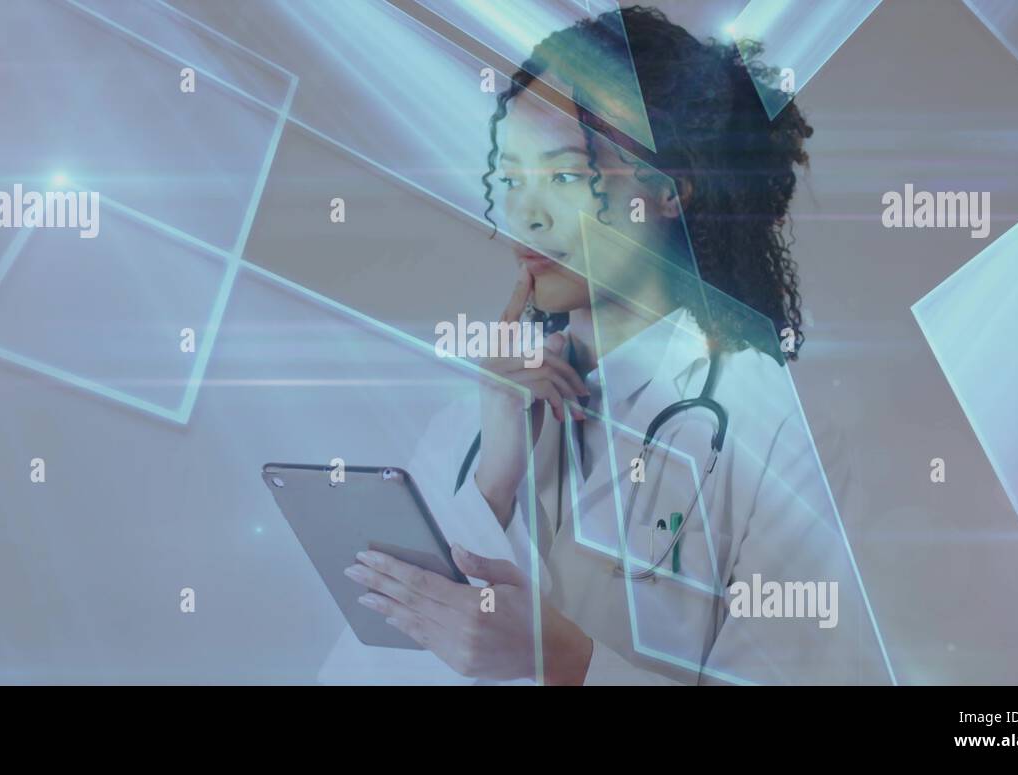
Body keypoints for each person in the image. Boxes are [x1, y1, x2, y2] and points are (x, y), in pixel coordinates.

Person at [341, 5, 890, 685]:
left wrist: (568, 663)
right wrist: (496, 483)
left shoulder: (771, 433)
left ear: (668, 189)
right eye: (511, 177)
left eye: (566, 176)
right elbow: (356, 669)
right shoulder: (473, 424)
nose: (528, 213)